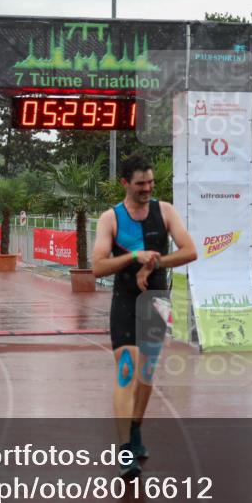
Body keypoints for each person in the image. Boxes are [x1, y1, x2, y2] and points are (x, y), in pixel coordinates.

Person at [91, 154, 197, 479]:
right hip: (125, 300)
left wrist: (155, 263)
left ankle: (135, 430)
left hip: (155, 300)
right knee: (127, 369)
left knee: (147, 373)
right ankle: (124, 449)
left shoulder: (164, 211)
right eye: (141, 184)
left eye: (150, 182)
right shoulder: (111, 219)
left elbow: (190, 250)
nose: (147, 188)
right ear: (126, 183)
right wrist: (134, 257)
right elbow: (97, 266)